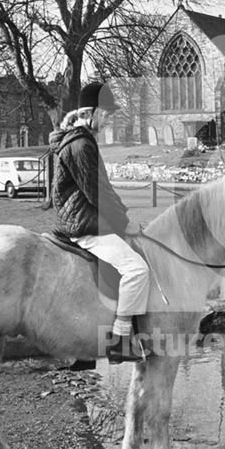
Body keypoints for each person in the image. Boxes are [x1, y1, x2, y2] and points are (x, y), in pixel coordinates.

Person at [49, 81, 150, 365]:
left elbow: (102, 190)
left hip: (87, 216)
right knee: (137, 269)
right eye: (106, 113)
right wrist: (125, 223)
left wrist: (124, 218)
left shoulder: (81, 140)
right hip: (84, 224)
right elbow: (98, 193)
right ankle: (119, 340)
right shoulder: (81, 145)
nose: (108, 120)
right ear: (90, 112)